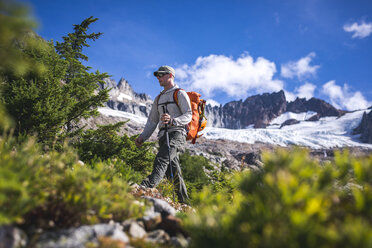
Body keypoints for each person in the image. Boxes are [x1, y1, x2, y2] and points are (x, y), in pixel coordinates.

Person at [135, 65, 192, 203]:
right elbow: (152, 121)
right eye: (157, 75)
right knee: (174, 173)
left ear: (170, 75)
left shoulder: (179, 93)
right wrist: (143, 136)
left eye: (161, 75)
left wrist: (173, 121)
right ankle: (185, 204)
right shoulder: (158, 98)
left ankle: (147, 186)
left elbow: (188, 115)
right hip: (163, 136)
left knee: (162, 159)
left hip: (177, 134)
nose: (158, 78)